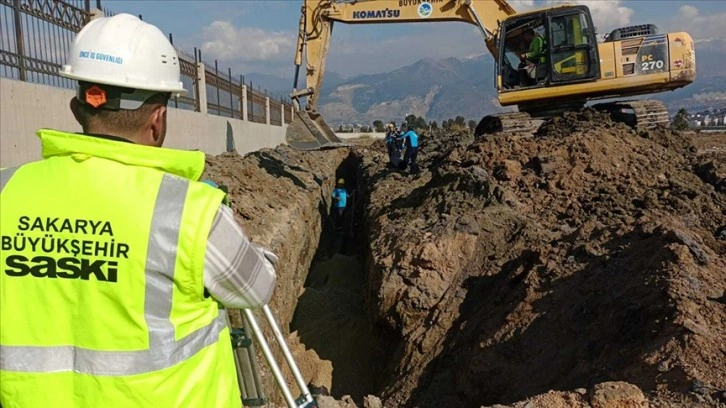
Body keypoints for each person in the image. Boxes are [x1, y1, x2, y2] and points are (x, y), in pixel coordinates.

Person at [0, 14, 277, 408]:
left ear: (78, 109)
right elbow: (257, 287)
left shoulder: (6, 191)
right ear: (158, 120)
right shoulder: (187, 210)